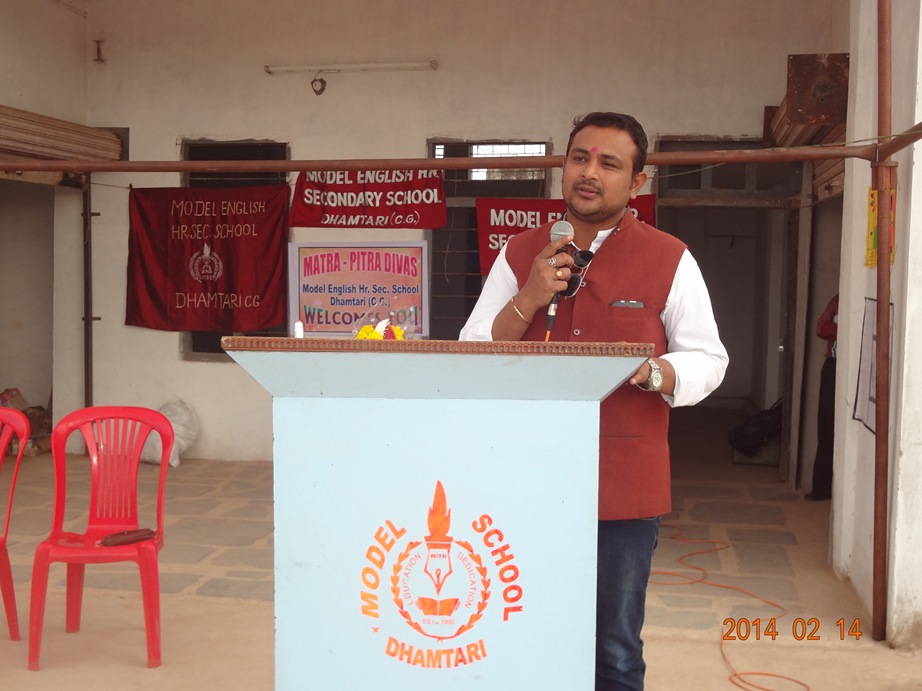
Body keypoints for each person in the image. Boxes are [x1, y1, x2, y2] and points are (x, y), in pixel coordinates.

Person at [459, 111, 728, 691]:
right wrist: (529, 297)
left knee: (614, 651)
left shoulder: (670, 258)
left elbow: (709, 359)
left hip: (625, 488)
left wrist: (652, 372)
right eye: (580, 158)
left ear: (637, 182)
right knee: (525, 635)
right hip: (525, 481)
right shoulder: (520, 253)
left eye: (609, 163)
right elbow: (473, 351)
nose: (590, 173)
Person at [805, 293, 838, 501]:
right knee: (826, 426)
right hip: (834, 366)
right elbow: (821, 328)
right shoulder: (837, 301)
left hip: (860, 370)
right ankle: (822, 486)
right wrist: (843, 328)